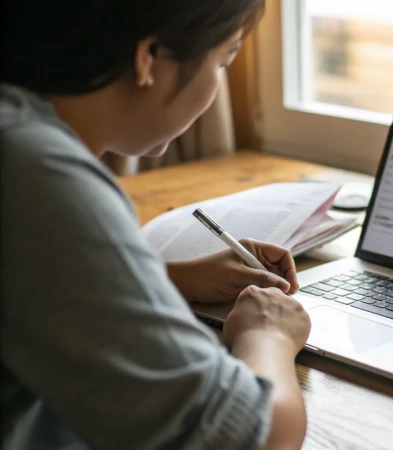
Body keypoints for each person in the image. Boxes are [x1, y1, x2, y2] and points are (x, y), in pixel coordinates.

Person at [1, 2, 311, 449]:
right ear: (149, 58)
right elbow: (249, 438)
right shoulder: (36, 175)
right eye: (224, 60)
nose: (218, 80)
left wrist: (168, 279)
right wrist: (268, 335)